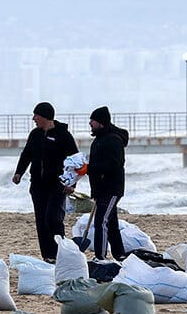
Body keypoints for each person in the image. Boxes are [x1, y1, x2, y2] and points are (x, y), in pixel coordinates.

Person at [13, 102, 79, 262]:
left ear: (45, 116)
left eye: (36, 115)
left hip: (58, 185)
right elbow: (26, 154)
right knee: (41, 221)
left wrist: (72, 184)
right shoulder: (35, 134)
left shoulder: (63, 135)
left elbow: (75, 160)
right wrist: (19, 172)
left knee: (53, 218)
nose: (33, 118)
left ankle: (60, 252)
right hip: (37, 185)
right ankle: (48, 256)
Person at [87, 106, 129, 261]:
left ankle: (100, 256)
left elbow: (113, 165)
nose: (90, 123)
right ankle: (120, 255)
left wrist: (89, 168)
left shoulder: (113, 140)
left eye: (93, 120)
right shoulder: (98, 140)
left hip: (111, 188)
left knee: (101, 222)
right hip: (100, 189)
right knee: (111, 224)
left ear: (101, 122)